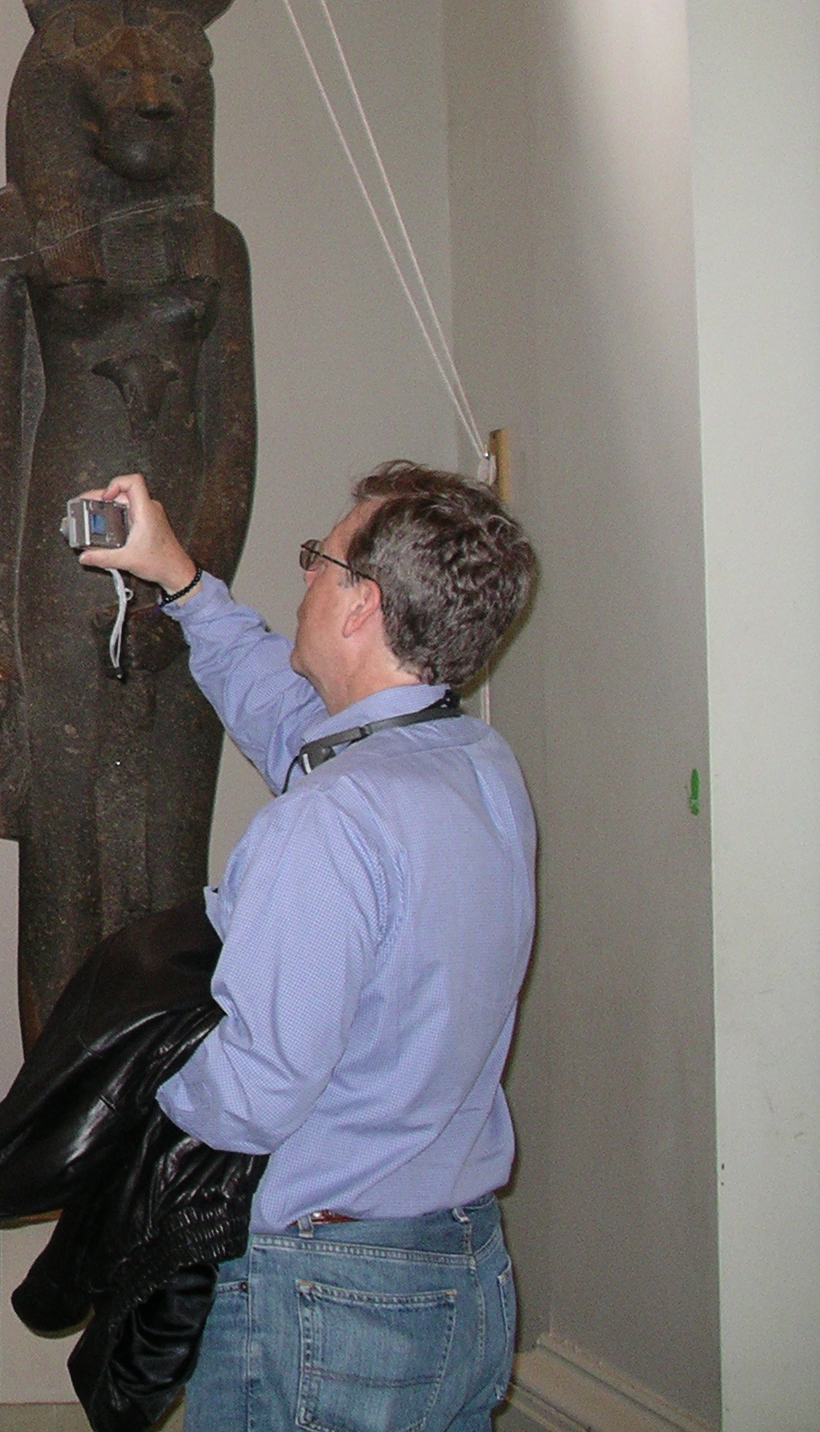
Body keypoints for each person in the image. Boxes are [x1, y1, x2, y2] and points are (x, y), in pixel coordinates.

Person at [79, 461, 538, 1432]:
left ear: (361, 603)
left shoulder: (333, 820)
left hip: (329, 1299)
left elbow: (256, 1093)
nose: (305, 578)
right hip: (459, 1267)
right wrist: (182, 584)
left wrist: (128, 1087)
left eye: (317, 561)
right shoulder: (474, 765)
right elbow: (293, 723)